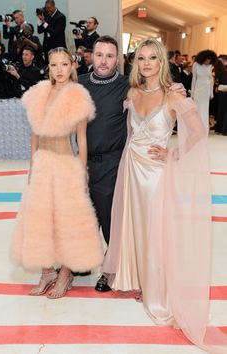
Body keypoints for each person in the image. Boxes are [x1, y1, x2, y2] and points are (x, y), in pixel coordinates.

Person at [102, 38, 227, 353]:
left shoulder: (173, 95)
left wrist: (173, 153)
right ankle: (139, 280)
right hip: (131, 169)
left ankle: (157, 289)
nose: (146, 64)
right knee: (135, 225)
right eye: (141, 58)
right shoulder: (130, 93)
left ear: (161, 62)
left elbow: (197, 132)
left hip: (155, 174)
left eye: (152, 58)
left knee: (156, 230)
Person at [79, 36, 185, 292]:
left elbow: (192, 128)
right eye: (99, 54)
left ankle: (112, 268)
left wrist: (177, 90)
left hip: (117, 163)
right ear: (90, 56)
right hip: (91, 161)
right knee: (86, 215)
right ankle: (80, 260)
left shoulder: (125, 85)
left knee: (113, 218)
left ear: (119, 59)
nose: (104, 61)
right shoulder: (80, 84)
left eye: (110, 55)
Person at [11, 47, 103, 299]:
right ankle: (46, 271)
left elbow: (82, 140)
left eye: (64, 64)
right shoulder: (38, 93)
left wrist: (81, 173)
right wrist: (32, 166)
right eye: (54, 65)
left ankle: (65, 273)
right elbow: (34, 136)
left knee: (66, 223)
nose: (59, 70)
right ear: (48, 67)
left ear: (72, 65)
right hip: (42, 164)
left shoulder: (78, 96)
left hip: (65, 165)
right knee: (40, 221)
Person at [191, 49, 217, 133]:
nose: (208, 62)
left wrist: (211, 92)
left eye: (210, 60)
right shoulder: (195, 65)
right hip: (198, 89)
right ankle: (196, 128)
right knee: (197, 108)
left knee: (205, 109)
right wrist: (192, 92)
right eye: (206, 60)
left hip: (206, 90)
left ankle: (204, 129)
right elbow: (194, 78)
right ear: (202, 58)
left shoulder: (210, 66)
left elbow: (211, 80)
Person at [37, 0, 66, 64]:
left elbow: (54, 33)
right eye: (46, 8)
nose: (47, 10)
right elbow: (39, 31)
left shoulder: (61, 17)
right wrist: (39, 21)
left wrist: (44, 22)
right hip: (47, 48)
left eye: (49, 8)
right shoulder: (47, 15)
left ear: (53, 6)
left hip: (57, 47)